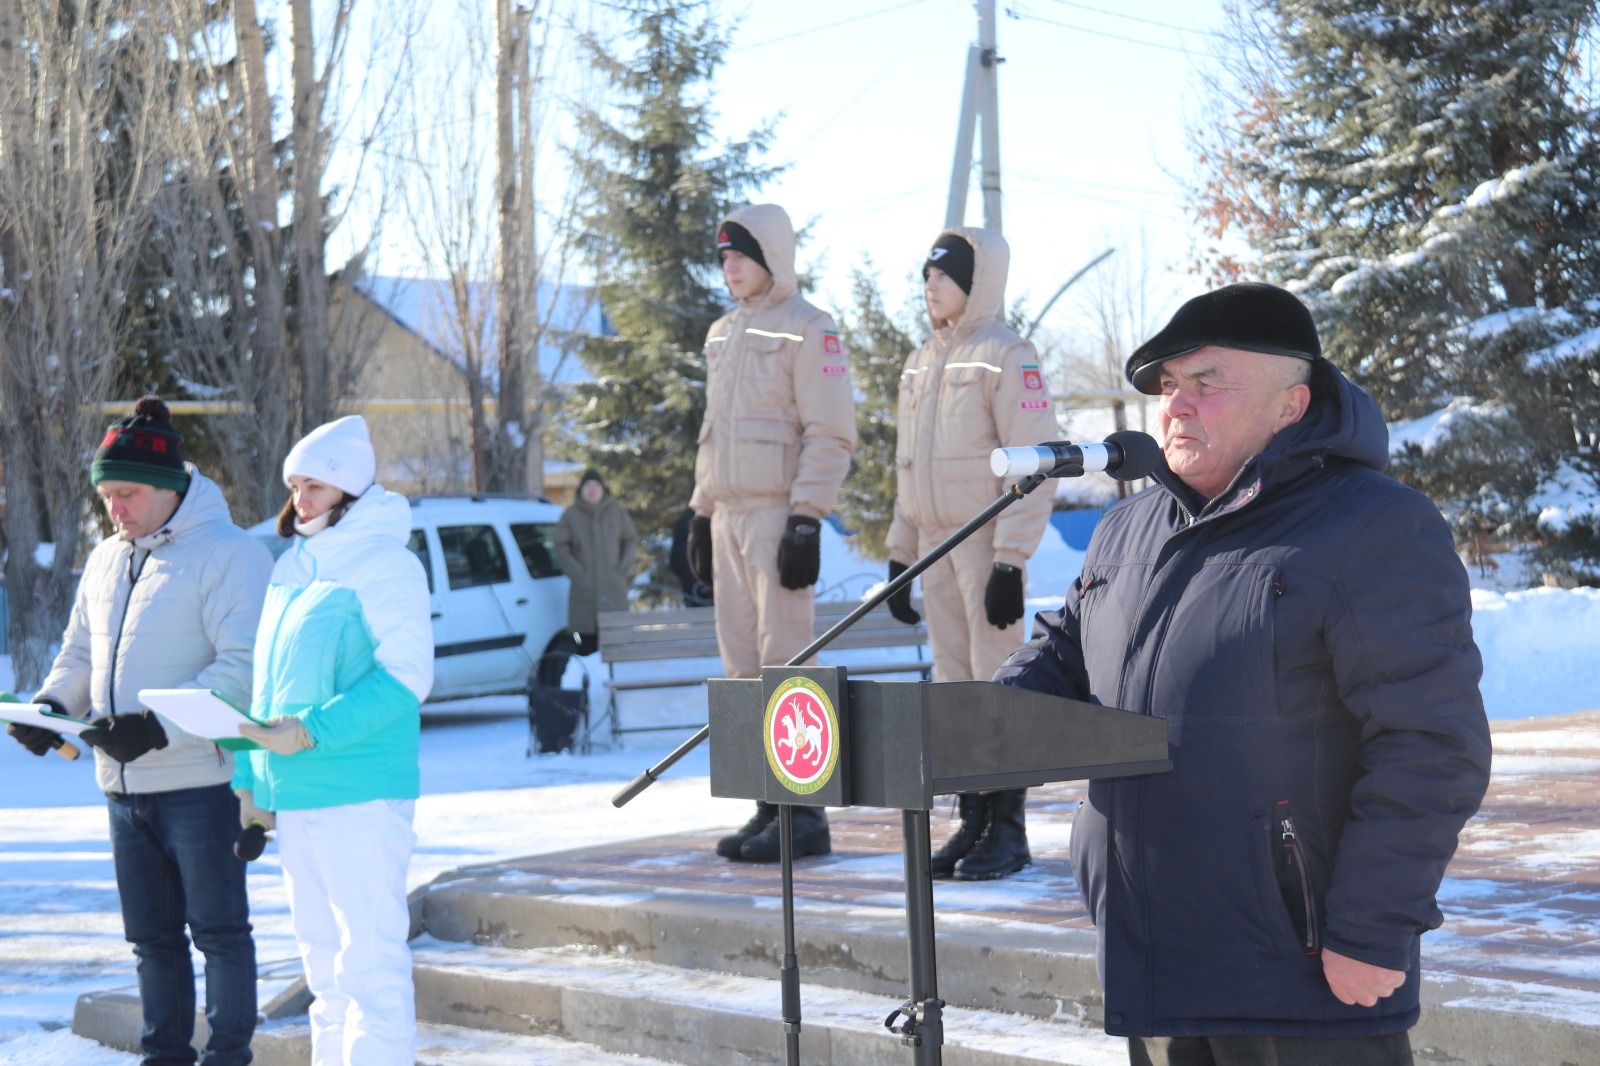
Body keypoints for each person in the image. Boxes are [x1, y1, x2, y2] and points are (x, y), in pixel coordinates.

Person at [993, 283, 1492, 1065]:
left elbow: (1431, 745)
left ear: (1290, 405)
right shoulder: (1128, 529)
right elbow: (1064, 651)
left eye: (1206, 383)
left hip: (1300, 976)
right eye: (1167, 387)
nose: (1175, 407)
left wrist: (1373, 926)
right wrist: (975, 724)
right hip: (1155, 959)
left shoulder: (1373, 525)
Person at [4, 396, 272, 1066]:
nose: (113, 508)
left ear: (170, 487)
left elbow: (243, 668)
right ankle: (165, 1058)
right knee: (151, 940)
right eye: (106, 495)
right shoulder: (105, 559)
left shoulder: (229, 554)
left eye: (125, 493)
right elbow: (79, 655)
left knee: (218, 934)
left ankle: (229, 1057)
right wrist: (50, 709)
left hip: (201, 782)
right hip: (121, 787)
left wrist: (156, 729)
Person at [230, 415, 434, 1066]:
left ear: (349, 490)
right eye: (295, 486)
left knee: (369, 964)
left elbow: (407, 678)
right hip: (296, 794)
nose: (301, 501)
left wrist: (312, 733)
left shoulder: (385, 565)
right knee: (323, 971)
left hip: (361, 792)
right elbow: (269, 688)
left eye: (315, 486)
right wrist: (253, 787)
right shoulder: (291, 568)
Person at [884, 228, 1060, 881]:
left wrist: (1011, 560)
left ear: (976, 282)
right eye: (925, 276)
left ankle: (1008, 828)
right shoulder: (919, 363)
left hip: (985, 543)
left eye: (943, 276)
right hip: (935, 544)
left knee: (996, 684)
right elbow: (908, 465)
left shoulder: (1007, 356)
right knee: (953, 687)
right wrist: (901, 554)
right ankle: (973, 819)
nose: (929, 287)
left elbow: (1035, 463)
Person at [689, 203, 856, 862]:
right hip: (728, 516)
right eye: (723, 257)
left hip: (777, 517)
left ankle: (805, 812)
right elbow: (713, 432)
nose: (729, 267)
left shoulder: (810, 330)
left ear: (771, 259)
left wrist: (807, 518)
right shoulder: (721, 334)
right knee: (742, 670)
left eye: (740, 256)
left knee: (788, 665)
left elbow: (831, 431)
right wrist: (699, 512)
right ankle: (768, 805)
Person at [552, 469, 638, 667]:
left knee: (617, 648)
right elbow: (561, 546)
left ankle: (616, 692)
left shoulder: (617, 512)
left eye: (596, 486)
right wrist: (578, 574)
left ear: (603, 489)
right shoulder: (570, 516)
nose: (592, 491)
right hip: (584, 596)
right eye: (588, 486)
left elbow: (630, 540)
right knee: (586, 652)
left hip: (613, 591)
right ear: (581, 490)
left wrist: (621, 571)